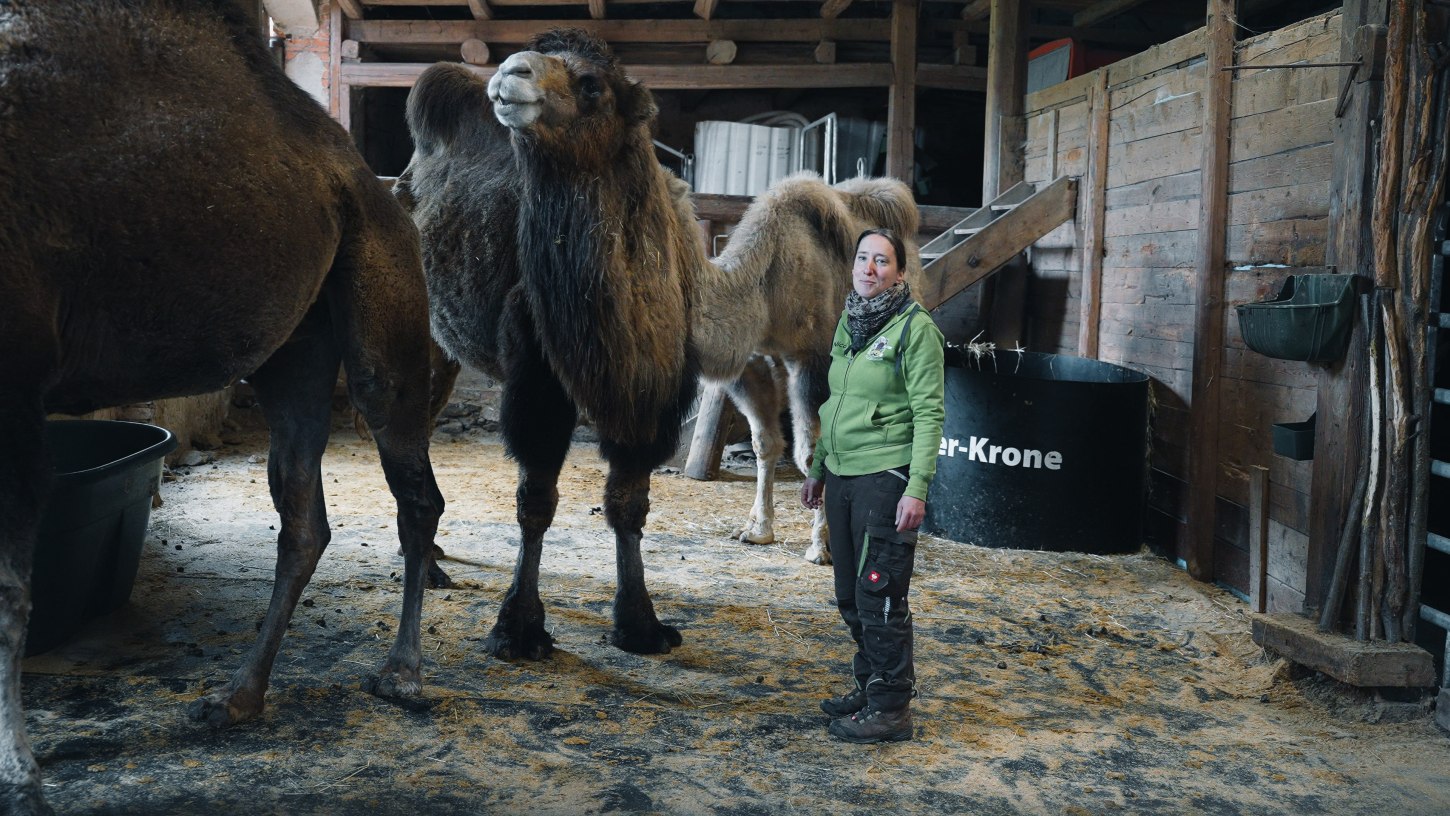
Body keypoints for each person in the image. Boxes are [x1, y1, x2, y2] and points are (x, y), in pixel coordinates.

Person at [801, 227, 945, 744]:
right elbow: (834, 403)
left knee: (879, 593)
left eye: (881, 261)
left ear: (900, 272)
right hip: (842, 472)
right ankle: (872, 684)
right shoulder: (850, 322)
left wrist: (917, 487)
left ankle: (891, 708)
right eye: (863, 258)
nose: (869, 268)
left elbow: (930, 412)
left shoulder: (915, 329)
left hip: (886, 475)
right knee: (848, 594)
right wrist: (819, 466)